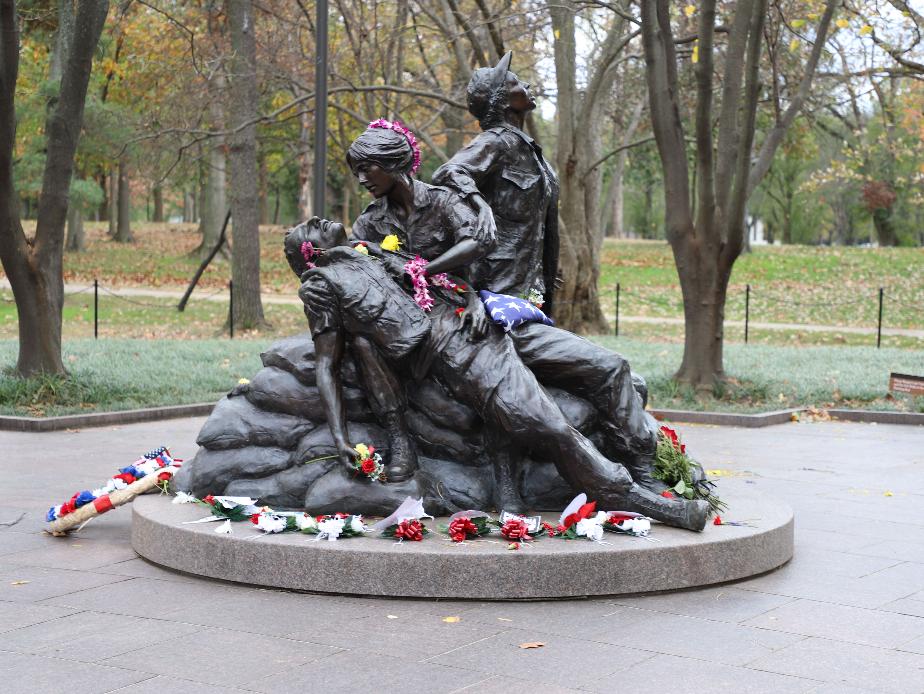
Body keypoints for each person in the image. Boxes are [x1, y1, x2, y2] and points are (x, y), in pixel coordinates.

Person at [284, 215, 709, 532]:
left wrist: (469, 300)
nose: (318, 219)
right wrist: (341, 439)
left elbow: (440, 281)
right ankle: (644, 500)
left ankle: (647, 464)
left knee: (607, 367)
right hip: (463, 354)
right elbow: (327, 364)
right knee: (550, 427)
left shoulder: (370, 250)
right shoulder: (321, 285)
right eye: (307, 227)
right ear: (308, 254)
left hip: (492, 322)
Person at [433, 53, 670, 490]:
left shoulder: (529, 150)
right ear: (503, 100)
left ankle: (625, 462)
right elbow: (448, 174)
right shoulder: (496, 143)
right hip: (498, 308)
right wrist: (479, 204)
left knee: (626, 381)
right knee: (613, 368)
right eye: (517, 81)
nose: (528, 85)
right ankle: (646, 473)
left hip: (530, 301)